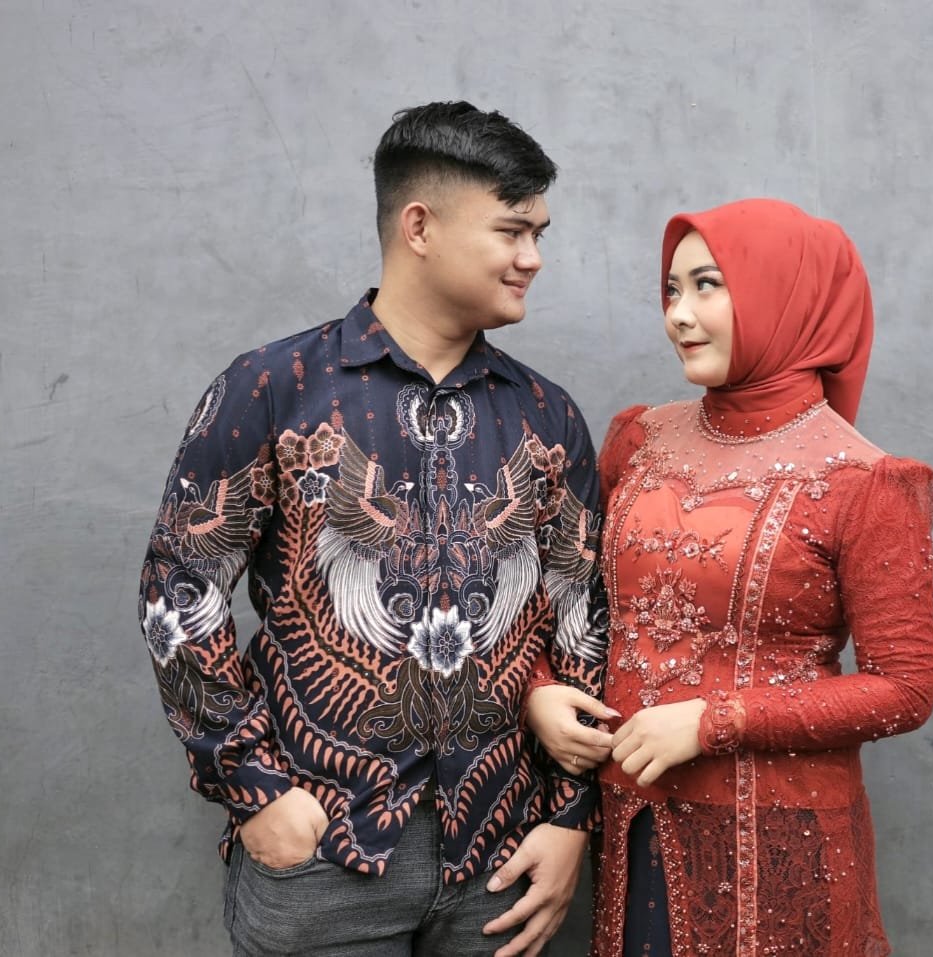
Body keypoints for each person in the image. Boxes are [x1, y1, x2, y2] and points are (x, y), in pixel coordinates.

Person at [137, 100, 608, 957]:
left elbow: (581, 618)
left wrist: (570, 815)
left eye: (539, 233)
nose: (533, 257)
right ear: (418, 226)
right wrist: (257, 789)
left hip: (502, 856)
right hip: (325, 854)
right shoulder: (274, 387)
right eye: (511, 231)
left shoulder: (547, 415)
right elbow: (179, 593)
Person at [527, 198, 933, 955]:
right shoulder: (640, 439)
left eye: (708, 285)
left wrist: (712, 721)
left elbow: (906, 688)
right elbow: (576, 601)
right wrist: (541, 686)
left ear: (784, 293)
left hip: (780, 841)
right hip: (634, 820)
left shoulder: (864, 481)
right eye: (671, 290)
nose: (679, 314)